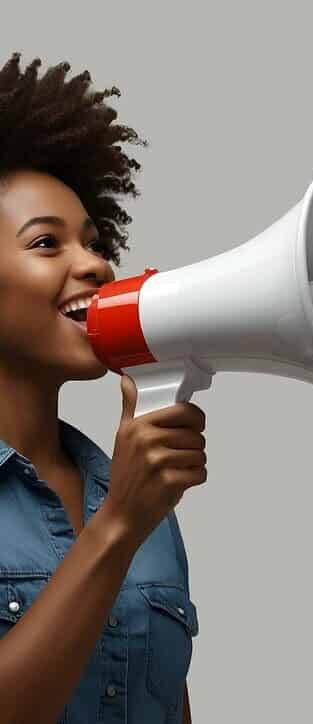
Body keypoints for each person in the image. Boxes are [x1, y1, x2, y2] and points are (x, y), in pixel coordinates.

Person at [0, 52, 208, 724]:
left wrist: (129, 511)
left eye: (93, 242)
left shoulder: (127, 490)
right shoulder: (127, 505)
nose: (95, 263)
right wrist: (117, 526)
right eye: (45, 244)